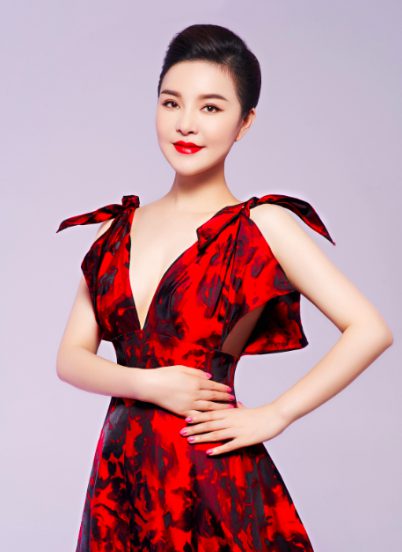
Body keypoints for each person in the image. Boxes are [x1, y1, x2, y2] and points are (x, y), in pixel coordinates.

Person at [56, 23, 393, 552]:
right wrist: (150, 384)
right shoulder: (115, 230)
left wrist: (276, 414)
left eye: (211, 107)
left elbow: (370, 329)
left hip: (209, 471)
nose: (186, 123)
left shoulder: (261, 225)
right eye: (171, 103)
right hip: (119, 478)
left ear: (244, 123)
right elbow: (70, 358)